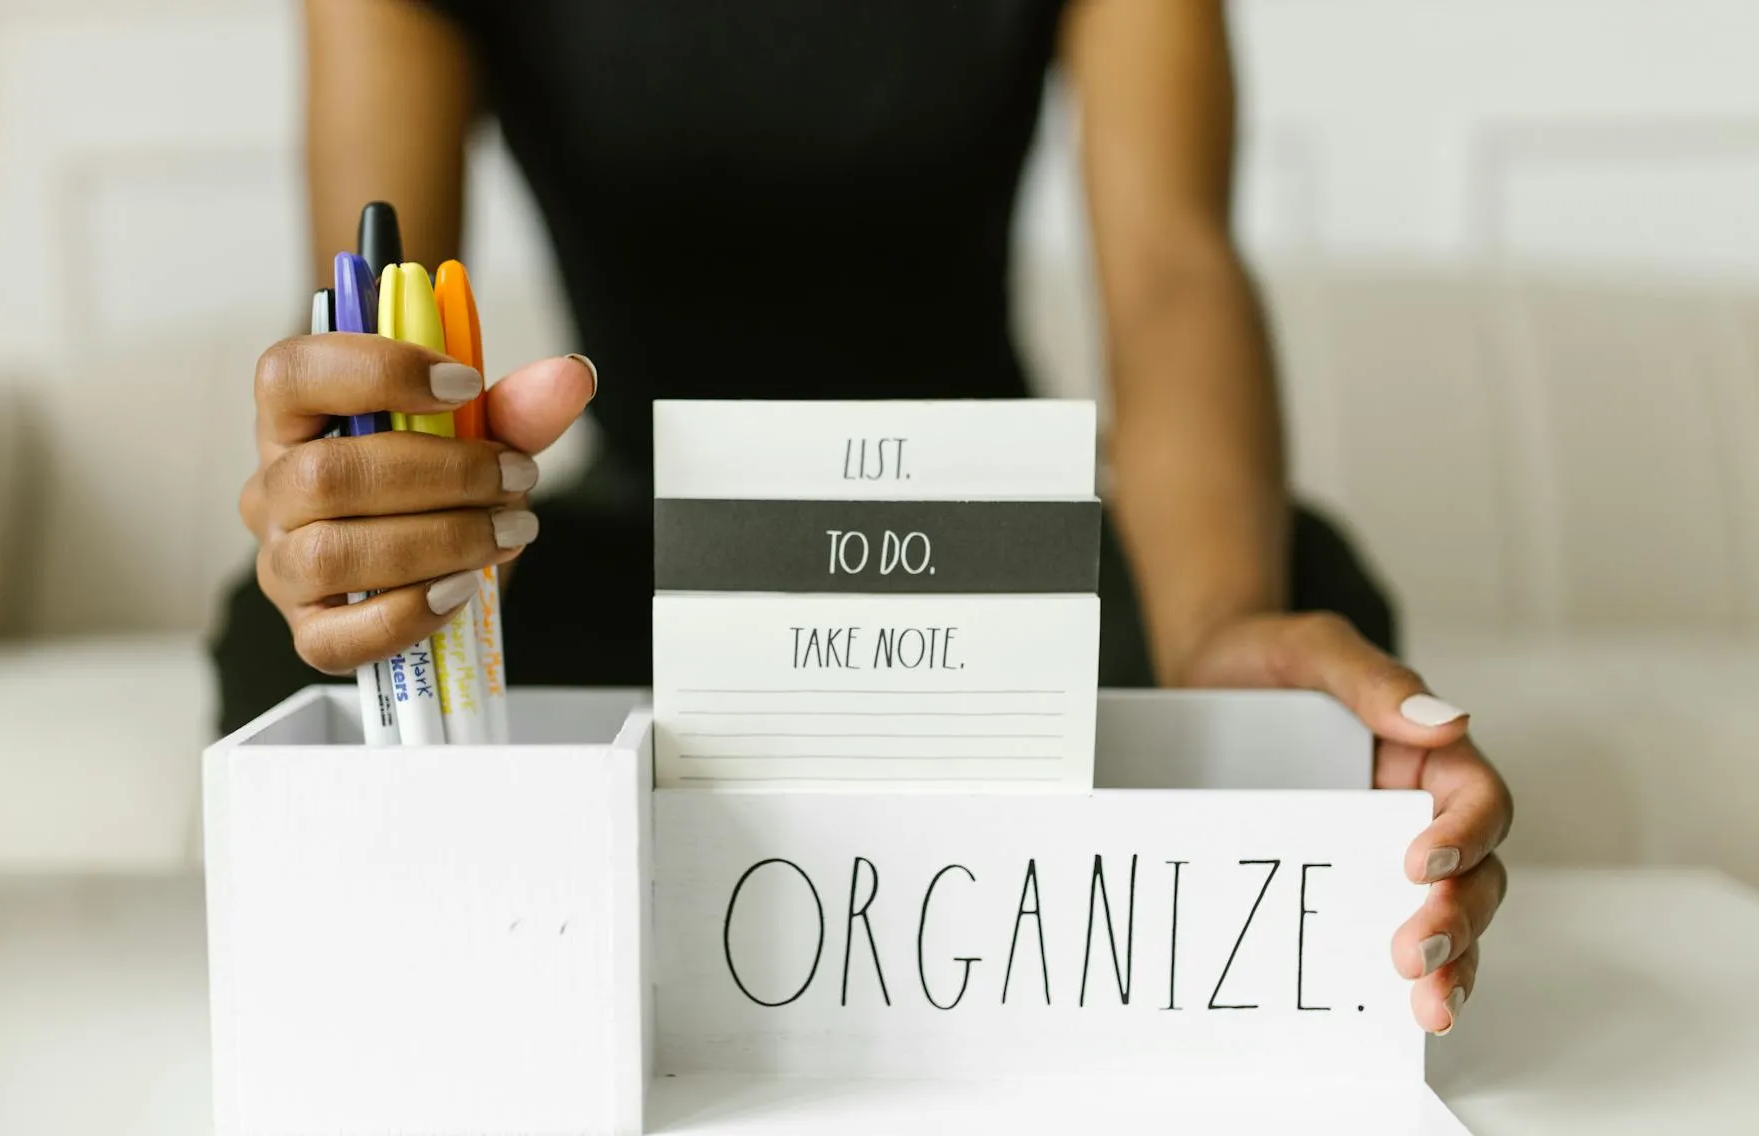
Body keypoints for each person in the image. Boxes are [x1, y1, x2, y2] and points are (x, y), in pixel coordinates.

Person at [219, 0, 1509, 1033]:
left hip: (974, 542)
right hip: (661, 554)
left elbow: (1171, 265)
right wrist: (362, 522)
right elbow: (372, 306)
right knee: (288, 645)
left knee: (1298, 598)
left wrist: (1219, 632)